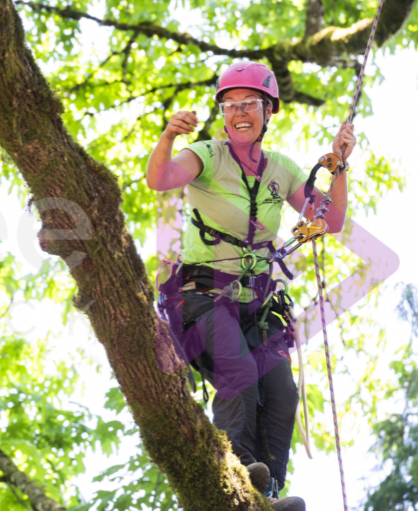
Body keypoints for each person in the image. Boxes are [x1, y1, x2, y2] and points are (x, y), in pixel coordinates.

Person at [146, 61, 355, 511]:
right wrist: (168, 138)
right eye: (230, 105)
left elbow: (329, 221)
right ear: (222, 114)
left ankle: (268, 493)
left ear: (268, 111)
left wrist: (339, 166)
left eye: (250, 104)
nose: (239, 112)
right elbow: (159, 179)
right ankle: (237, 475)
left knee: (281, 391)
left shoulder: (280, 168)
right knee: (238, 374)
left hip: (257, 307)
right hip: (202, 298)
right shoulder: (207, 155)